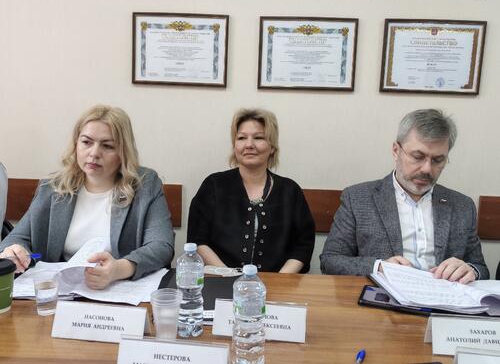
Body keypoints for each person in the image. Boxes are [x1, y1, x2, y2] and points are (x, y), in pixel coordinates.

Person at [0, 105, 174, 289]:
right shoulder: (53, 187)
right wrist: (15, 250)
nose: (94, 153)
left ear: (123, 152)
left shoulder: (145, 185)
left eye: (107, 146)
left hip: (119, 290)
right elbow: (15, 238)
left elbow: (161, 246)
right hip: (61, 293)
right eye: (86, 142)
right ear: (76, 144)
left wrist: (119, 269)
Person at [320, 109, 488, 284]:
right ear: (396, 151)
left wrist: (471, 270)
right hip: (382, 296)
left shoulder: (463, 206)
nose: (427, 169)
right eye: (418, 157)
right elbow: (330, 260)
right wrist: (378, 267)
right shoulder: (358, 199)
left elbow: (481, 268)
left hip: (444, 297)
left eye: (438, 160)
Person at [188, 108, 315, 273]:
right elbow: (197, 240)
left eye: (258, 137)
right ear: (234, 146)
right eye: (241, 138)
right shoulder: (213, 185)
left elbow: (303, 245)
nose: (249, 145)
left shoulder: (290, 191)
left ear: (272, 147)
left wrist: (280, 279)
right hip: (221, 279)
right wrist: (228, 275)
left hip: (279, 281)